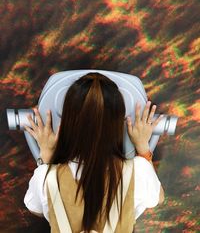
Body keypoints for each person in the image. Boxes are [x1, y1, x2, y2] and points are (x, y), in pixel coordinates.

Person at [23, 72, 164, 233]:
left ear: (66, 123)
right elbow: (157, 198)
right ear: (118, 123)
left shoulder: (45, 177)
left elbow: (35, 208)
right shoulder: (139, 171)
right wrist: (143, 148)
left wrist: (45, 159)